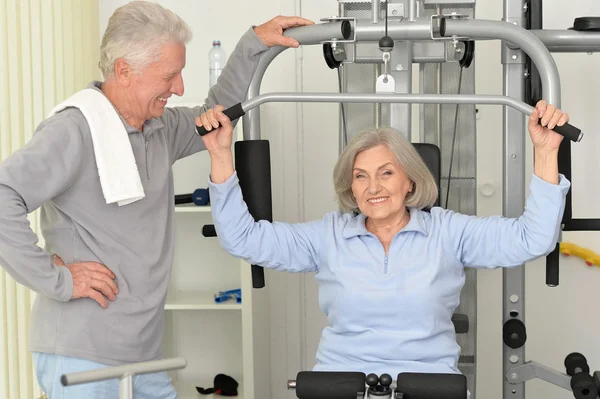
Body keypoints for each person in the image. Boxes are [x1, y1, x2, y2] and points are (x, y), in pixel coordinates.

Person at [0, 1, 313, 398]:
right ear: (124, 71)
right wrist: (57, 279)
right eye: (170, 75)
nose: (179, 87)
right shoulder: (74, 130)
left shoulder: (160, 129)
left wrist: (253, 43)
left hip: (144, 356)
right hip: (83, 356)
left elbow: (213, 113)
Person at [197, 100, 571, 379]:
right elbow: (243, 238)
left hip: (429, 383)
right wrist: (218, 154)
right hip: (341, 381)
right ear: (351, 186)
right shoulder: (328, 236)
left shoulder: (448, 232)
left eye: (386, 173)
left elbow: (532, 238)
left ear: (410, 180)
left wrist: (546, 151)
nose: (372, 187)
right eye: (360, 176)